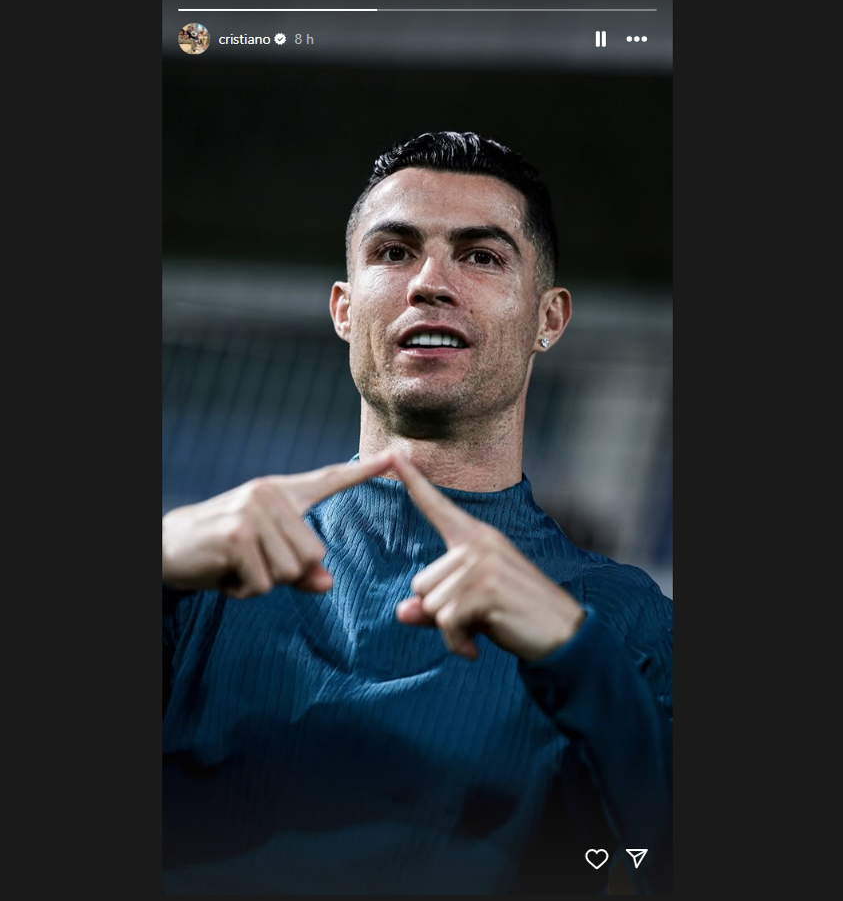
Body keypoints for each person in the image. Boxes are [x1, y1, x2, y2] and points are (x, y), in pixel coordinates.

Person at [162, 131, 673, 895]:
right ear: (343, 309)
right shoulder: (201, 575)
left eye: (481, 256)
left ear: (549, 319)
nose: (430, 282)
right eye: (394, 252)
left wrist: (578, 656)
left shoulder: (623, 623)